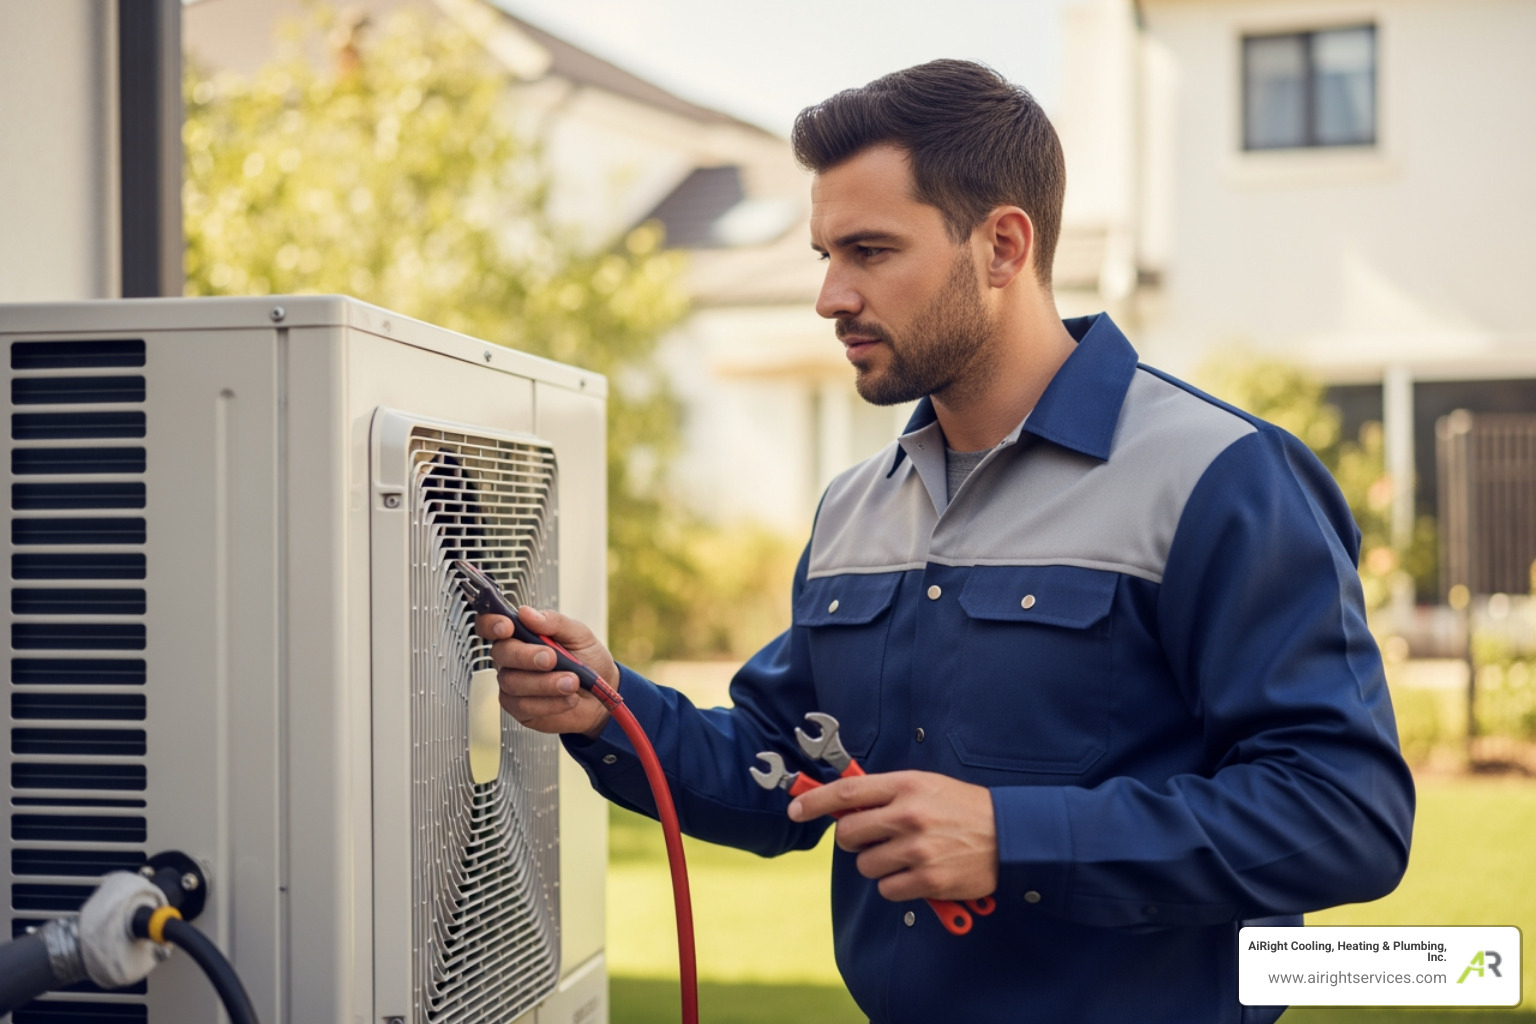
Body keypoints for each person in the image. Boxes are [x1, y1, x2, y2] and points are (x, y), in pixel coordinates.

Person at [479, 59, 1414, 1024]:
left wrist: (1015, 838)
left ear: (1003, 245)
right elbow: (780, 770)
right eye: (823, 255)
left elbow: (1346, 816)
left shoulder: (1223, 476)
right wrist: (606, 705)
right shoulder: (853, 507)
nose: (830, 296)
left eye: (870, 251)